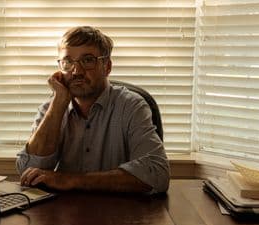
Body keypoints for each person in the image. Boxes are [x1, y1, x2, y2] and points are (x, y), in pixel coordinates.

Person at [16, 26, 170, 193]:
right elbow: (28, 171)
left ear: (107, 66)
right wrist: (59, 101)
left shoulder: (131, 106)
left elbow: (157, 174)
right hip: (64, 214)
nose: (76, 71)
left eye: (88, 60)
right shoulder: (51, 108)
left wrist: (71, 180)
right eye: (68, 62)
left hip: (119, 212)